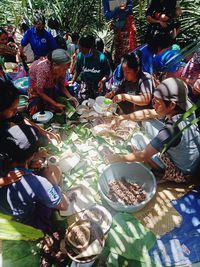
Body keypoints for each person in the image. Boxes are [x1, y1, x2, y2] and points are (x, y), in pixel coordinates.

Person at [106, 78, 200, 182]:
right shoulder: (186, 106)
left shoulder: (170, 130)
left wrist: (117, 158)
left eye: (157, 102)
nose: (154, 105)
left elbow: (143, 155)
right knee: (147, 121)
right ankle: (157, 149)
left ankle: (161, 171)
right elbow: (148, 113)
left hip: (182, 171)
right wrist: (123, 117)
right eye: (153, 100)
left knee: (136, 139)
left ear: (172, 105)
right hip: (190, 161)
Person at [0, 124, 69, 232]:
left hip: (5, 210)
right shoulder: (37, 183)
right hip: (22, 222)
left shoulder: (4, 158)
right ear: (32, 154)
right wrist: (52, 181)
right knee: (53, 170)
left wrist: (30, 160)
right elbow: (64, 205)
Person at [28, 48, 77, 115]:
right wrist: (55, 103)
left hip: (49, 83)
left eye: (66, 69)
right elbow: (40, 91)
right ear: (54, 65)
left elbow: (61, 85)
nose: (65, 72)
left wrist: (70, 96)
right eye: (64, 69)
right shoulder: (43, 70)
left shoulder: (61, 68)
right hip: (36, 84)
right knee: (37, 107)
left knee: (54, 102)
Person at [72, 35, 111, 102]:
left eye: (84, 51)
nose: (82, 53)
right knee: (83, 103)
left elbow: (107, 74)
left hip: (98, 86)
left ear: (92, 48)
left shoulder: (102, 58)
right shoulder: (80, 56)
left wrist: (102, 81)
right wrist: (73, 80)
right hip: (85, 85)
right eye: (80, 50)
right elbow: (77, 70)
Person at [102, 0, 137, 66]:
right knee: (119, 52)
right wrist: (117, 9)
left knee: (128, 50)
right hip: (117, 28)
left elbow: (130, 8)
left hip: (127, 26)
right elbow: (107, 15)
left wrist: (125, 9)